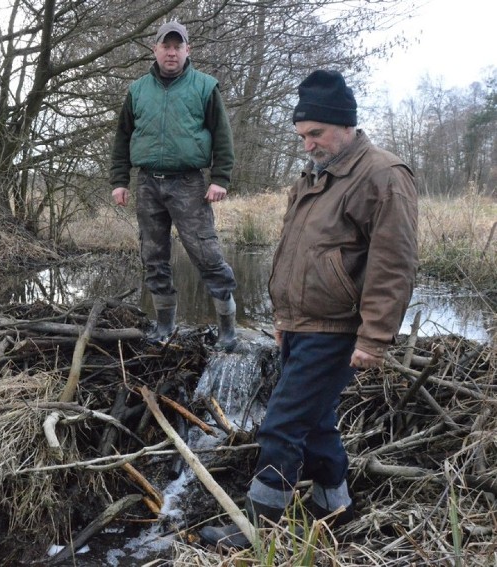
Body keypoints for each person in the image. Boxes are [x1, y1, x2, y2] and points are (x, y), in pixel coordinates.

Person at [200, 69, 418, 549]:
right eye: (301, 136)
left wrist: (375, 338)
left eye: (315, 133)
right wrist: (283, 320)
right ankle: (333, 503)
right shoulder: (314, 175)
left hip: (337, 330)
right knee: (316, 421)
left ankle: (258, 528)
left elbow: (394, 265)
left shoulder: (383, 175)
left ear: (345, 125)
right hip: (302, 325)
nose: (307, 145)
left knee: (281, 423)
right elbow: (294, 254)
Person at [109, 20, 238, 350]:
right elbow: (123, 137)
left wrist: (220, 179)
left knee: (207, 254)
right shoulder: (137, 90)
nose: (171, 52)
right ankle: (164, 325)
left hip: (189, 184)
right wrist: (119, 181)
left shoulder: (205, 87)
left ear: (187, 50)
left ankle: (228, 327)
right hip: (148, 183)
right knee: (153, 256)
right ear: (155, 49)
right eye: (165, 46)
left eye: (177, 46)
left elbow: (222, 136)